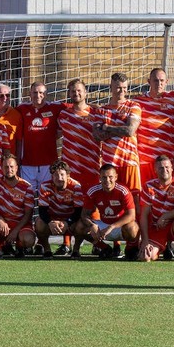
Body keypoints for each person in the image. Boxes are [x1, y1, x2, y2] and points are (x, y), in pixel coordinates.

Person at [92, 73, 142, 209]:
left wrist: (107, 127)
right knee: (112, 198)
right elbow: (97, 135)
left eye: (125, 88)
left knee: (134, 199)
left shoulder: (133, 106)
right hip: (110, 163)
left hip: (129, 161)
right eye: (118, 88)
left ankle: (135, 230)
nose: (122, 91)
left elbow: (130, 131)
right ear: (111, 87)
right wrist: (120, 128)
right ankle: (114, 229)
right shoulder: (102, 110)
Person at [77, 164, 140, 260]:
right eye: (104, 177)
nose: (107, 180)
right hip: (103, 226)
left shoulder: (123, 191)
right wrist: (92, 225)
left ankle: (130, 249)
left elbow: (131, 216)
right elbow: (84, 215)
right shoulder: (93, 191)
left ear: (116, 177)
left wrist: (112, 227)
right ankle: (104, 248)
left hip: (120, 227)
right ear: (100, 178)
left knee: (133, 228)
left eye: (110, 177)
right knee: (80, 226)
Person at [138, 155, 174, 262]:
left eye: (167, 167)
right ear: (155, 170)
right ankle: (164, 248)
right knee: (146, 258)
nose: (165, 170)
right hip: (157, 228)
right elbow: (143, 215)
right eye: (161, 168)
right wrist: (144, 240)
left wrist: (166, 216)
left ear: (172, 168)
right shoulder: (148, 186)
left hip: (173, 225)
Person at [0, 153, 36, 258]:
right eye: (6, 167)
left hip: (19, 224)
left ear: (16, 168)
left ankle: (20, 247)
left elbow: (28, 214)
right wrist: (0, 220)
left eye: (11, 166)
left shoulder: (26, 186)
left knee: (28, 240)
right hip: (2, 223)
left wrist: (15, 231)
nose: (9, 169)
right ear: (1, 168)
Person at [16, 82, 66, 190]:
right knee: (28, 196)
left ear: (46, 94)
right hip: (27, 163)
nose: (38, 96)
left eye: (41, 93)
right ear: (30, 94)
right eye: (35, 92)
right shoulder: (22, 108)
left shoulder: (55, 107)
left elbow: (77, 106)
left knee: (46, 195)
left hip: (49, 163)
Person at [34, 160, 84, 258]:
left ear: (68, 175)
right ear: (52, 176)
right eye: (56, 175)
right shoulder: (45, 186)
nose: (59, 178)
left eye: (62, 174)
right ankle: (47, 250)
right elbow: (42, 210)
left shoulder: (76, 186)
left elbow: (79, 211)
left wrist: (67, 222)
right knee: (39, 223)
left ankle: (76, 250)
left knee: (81, 225)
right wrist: (51, 222)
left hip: (70, 221)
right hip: (53, 220)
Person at [58, 78, 101, 192]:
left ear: (85, 92)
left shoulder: (96, 113)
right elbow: (57, 135)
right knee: (72, 201)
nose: (76, 93)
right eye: (73, 91)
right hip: (70, 167)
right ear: (69, 93)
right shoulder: (63, 114)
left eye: (79, 90)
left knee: (92, 202)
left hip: (91, 166)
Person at [0, 83, 23, 158]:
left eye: (7, 95)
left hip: (8, 161)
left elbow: (19, 141)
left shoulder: (16, 115)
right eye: (1, 96)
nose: (5, 98)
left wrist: (17, 160)